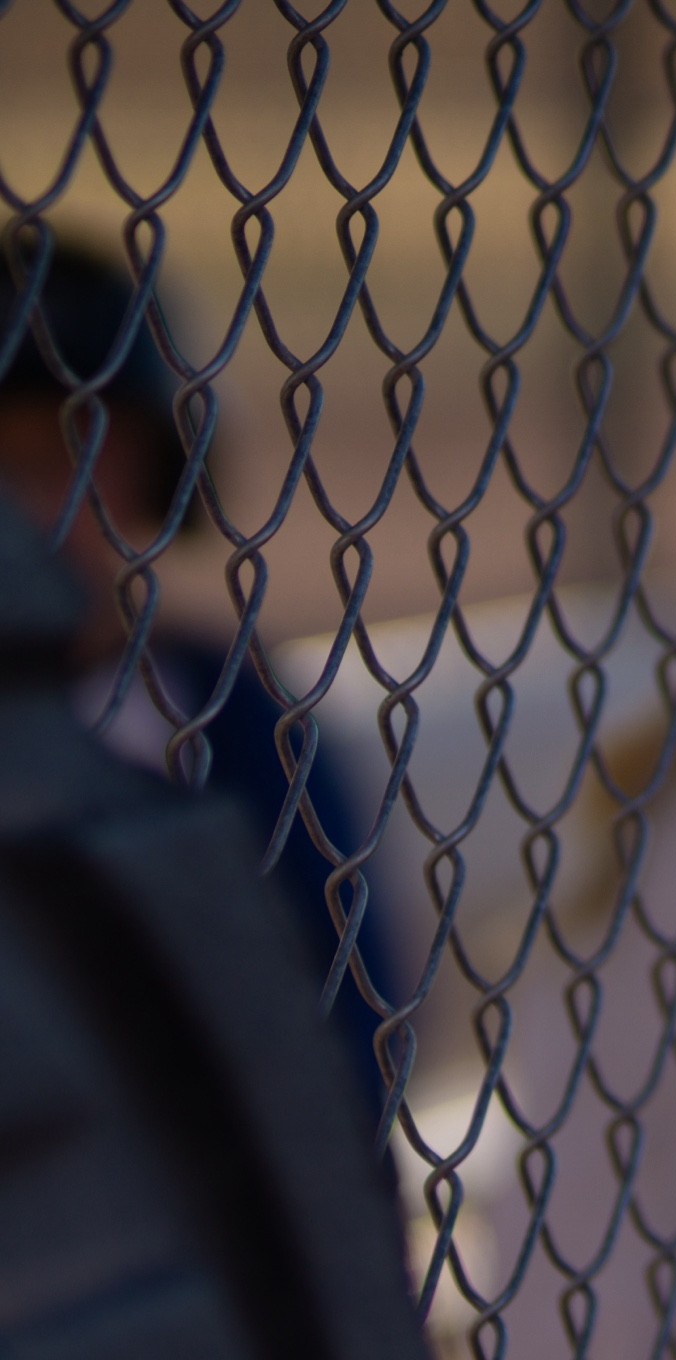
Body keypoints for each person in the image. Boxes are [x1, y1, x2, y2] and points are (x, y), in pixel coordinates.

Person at [0, 244, 395, 1117]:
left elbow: (358, 1024)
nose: (37, 505)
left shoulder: (235, 716)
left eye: (77, 450)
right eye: (5, 464)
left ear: (162, 469)